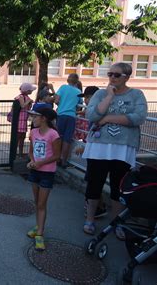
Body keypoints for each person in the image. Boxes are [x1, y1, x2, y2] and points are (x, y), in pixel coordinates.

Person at [82, 62, 147, 239]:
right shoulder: (101, 94)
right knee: (94, 184)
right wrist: (109, 97)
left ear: (126, 77)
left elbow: (138, 117)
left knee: (119, 187)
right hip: (99, 147)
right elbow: (92, 115)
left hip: (123, 148)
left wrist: (108, 118)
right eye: (110, 74)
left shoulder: (136, 95)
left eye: (116, 75)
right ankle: (90, 219)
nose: (112, 77)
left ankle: (117, 222)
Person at [26, 107, 61, 251]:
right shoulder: (33, 132)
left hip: (47, 173)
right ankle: (38, 226)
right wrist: (32, 161)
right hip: (35, 172)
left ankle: (40, 234)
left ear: (44, 118)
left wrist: (40, 163)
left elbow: (56, 156)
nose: (32, 119)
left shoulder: (54, 134)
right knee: (37, 202)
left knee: (41, 204)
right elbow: (31, 151)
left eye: (35, 116)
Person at [73, 86, 108, 219]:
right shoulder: (92, 112)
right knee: (92, 179)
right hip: (93, 150)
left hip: (97, 152)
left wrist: (86, 147)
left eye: (88, 98)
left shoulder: (100, 112)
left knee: (93, 180)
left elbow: (98, 132)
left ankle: (98, 207)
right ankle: (96, 205)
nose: (86, 101)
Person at [54, 73, 82, 166]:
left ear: (67, 80)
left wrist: (61, 105)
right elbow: (79, 108)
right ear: (77, 81)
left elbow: (56, 100)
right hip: (71, 117)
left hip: (61, 115)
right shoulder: (78, 91)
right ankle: (64, 161)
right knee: (67, 139)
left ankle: (56, 159)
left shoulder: (63, 87)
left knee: (59, 137)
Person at [15, 83, 36, 157]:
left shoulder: (26, 97)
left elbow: (27, 108)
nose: (31, 91)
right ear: (27, 90)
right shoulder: (20, 97)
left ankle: (20, 152)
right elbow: (22, 105)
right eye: (30, 90)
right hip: (19, 120)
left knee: (22, 137)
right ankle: (15, 153)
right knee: (18, 137)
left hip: (23, 120)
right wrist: (29, 101)